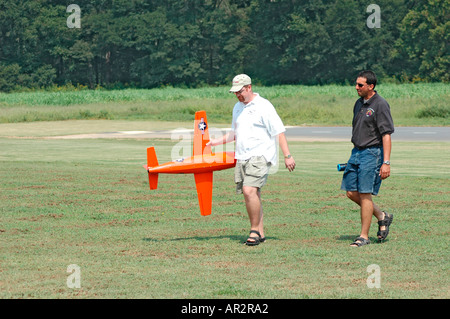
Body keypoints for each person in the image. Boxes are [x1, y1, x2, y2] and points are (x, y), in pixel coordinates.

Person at [207, 74, 296, 246]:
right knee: (253, 194)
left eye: (240, 92)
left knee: (249, 191)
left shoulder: (264, 106)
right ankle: (261, 232)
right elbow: (235, 132)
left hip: (260, 154)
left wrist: (287, 155)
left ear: (249, 87)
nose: (237, 95)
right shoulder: (237, 107)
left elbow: (278, 131)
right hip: (242, 155)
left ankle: (254, 230)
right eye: (235, 93)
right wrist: (215, 142)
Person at [341, 70, 395, 247]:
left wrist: (386, 162)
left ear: (371, 86)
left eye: (360, 85)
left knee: (365, 194)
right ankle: (381, 215)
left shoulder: (380, 105)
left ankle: (363, 236)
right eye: (356, 84)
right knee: (351, 192)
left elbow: (386, 135)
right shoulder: (359, 103)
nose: (356, 87)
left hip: (372, 153)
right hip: (356, 152)